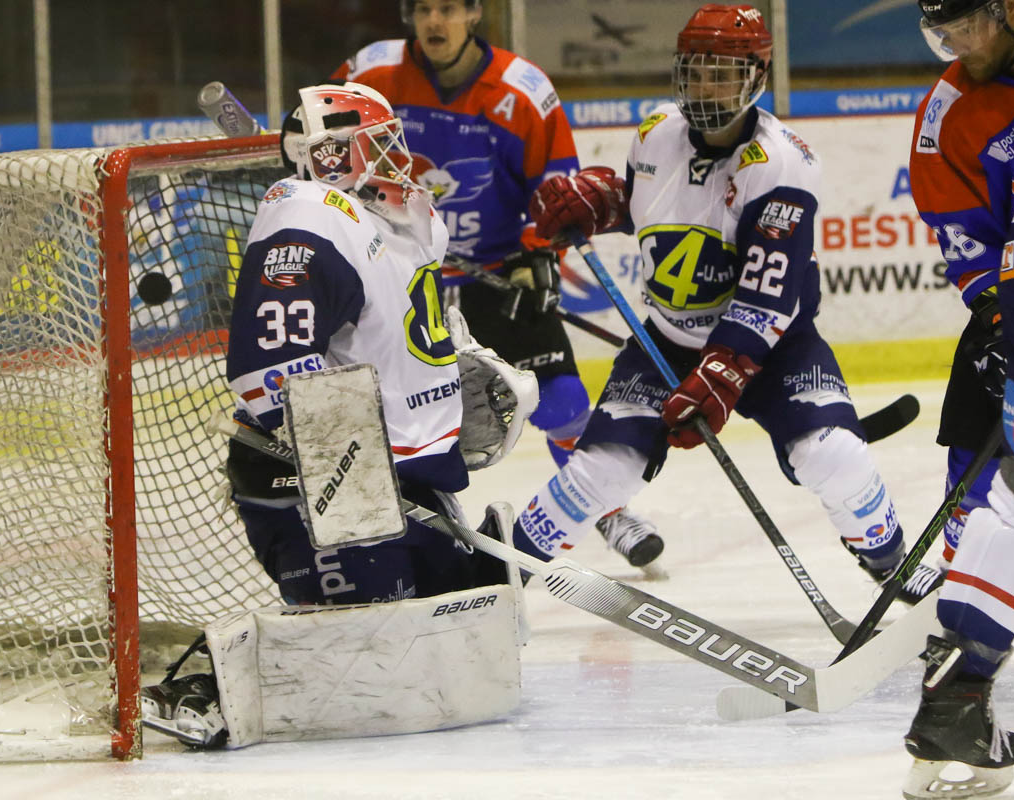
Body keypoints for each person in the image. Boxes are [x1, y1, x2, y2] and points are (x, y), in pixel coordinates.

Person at [139, 82, 535, 748]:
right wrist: (351, 474)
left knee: (459, 646)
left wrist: (461, 368)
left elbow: (404, 335)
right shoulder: (304, 225)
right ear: (331, 156)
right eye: (377, 143)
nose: (395, 155)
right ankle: (204, 685)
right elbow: (268, 375)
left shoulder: (385, 220)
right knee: (374, 670)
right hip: (316, 482)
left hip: (401, 478)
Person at [511, 3, 939, 603]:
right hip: (666, 341)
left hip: (774, 348)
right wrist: (600, 204)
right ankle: (499, 574)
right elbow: (644, 205)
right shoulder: (654, 130)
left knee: (835, 456)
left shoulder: (784, 164)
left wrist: (721, 374)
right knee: (600, 472)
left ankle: (890, 559)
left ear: (756, 79)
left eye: (724, 74)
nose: (705, 87)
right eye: (696, 70)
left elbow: (767, 294)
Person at [330, 0, 665, 568]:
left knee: (561, 402)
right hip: (396, 272)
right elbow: (325, 153)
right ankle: (372, 537)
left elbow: (556, 191)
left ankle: (610, 511)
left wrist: (535, 256)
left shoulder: (522, 91)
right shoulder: (369, 75)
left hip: (495, 271)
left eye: (450, 9)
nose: (436, 22)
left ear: (475, 13)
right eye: (425, 10)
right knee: (385, 410)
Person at [901, 2, 1014, 797]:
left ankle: (959, 683)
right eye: (941, 33)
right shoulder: (947, 116)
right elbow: (964, 238)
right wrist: (996, 310)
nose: (955, 47)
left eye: (968, 27)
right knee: (1012, 483)